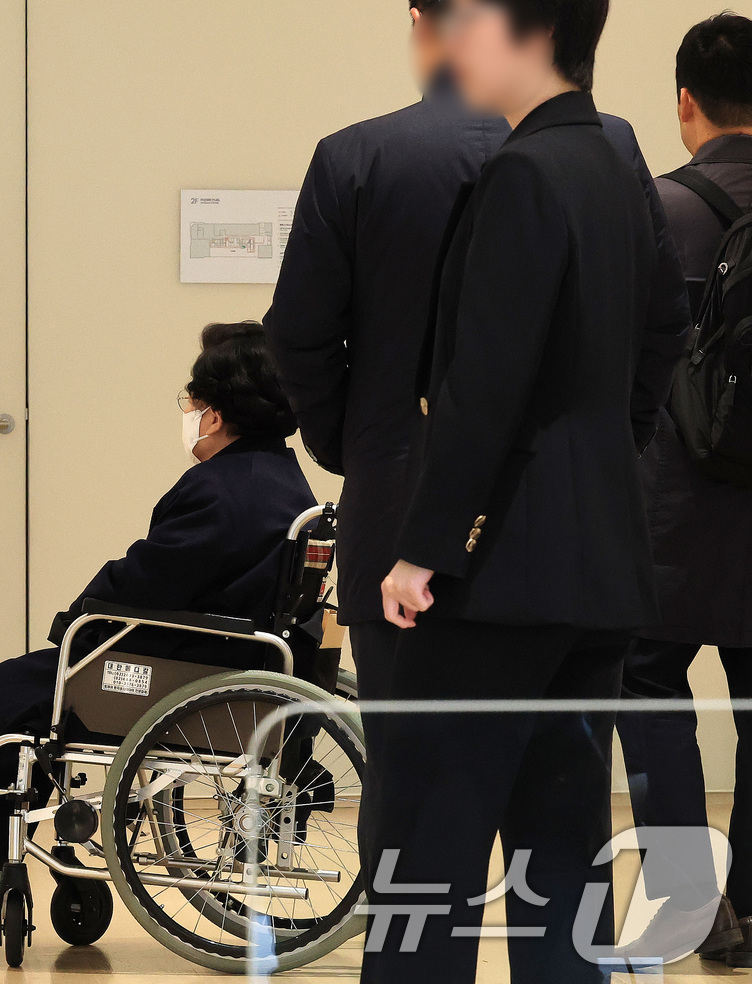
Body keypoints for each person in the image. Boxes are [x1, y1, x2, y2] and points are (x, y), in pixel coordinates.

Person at [264, 0, 687, 887]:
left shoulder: (356, 155)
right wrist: (611, 441)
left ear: (427, 22)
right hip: (581, 535)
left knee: (416, 821)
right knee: (565, 835)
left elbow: (300, 336)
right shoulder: (609, 147)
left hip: (411, 521)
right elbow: (662, 321)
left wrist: (357, 446)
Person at [0, 322, 318, 921]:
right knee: (20, 685)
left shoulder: (223, 493)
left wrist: (81, 615)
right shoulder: (280, 480)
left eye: (193, 401)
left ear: (216, 414)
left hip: (176, 674)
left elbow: (148, 581)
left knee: (10, 698)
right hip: (218, 663)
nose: (189, 413)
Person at [616, 12, 752, 966]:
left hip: (672, 501)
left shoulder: (655, 209)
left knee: (646, 677)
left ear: (684, 102)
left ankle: (691, 896)